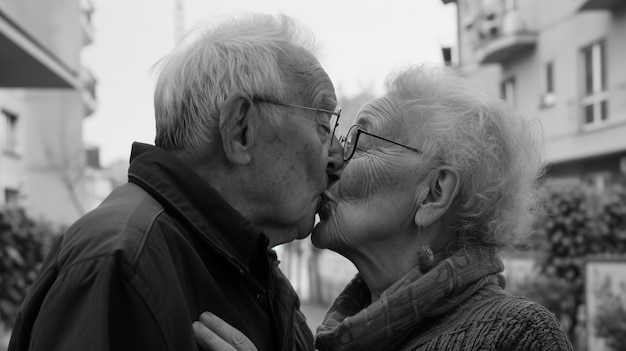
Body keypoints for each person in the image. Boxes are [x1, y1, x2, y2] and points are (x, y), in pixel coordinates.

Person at [8, 13, 344, 351]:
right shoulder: (122, 263)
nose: (337, 158)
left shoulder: (237, 261)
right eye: (323, 126)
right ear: (241, 129)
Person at [195, 66, 574, 351]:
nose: (332, 159)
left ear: (433, 194)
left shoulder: (519, 334)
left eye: (360, 140)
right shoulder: (324, 330)